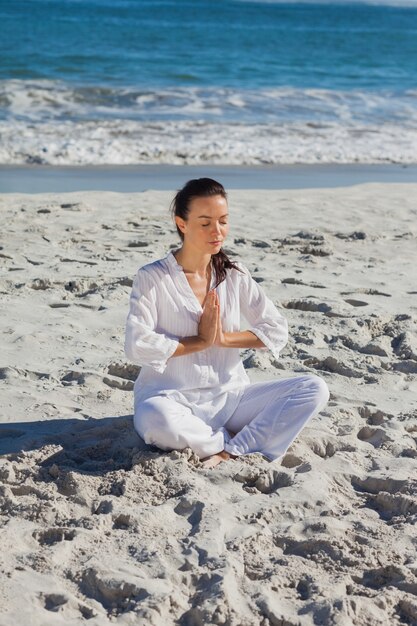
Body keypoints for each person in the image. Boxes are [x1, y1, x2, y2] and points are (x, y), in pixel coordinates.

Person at [124, 178, 329, 469]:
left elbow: (276, 329)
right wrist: (199, 342)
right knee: (156, 424)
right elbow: (136, 344)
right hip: (171, 398)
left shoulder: (234, 274)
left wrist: (221, 338)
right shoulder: (152, 277)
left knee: (314, 388)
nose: (217, 231)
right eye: (205, 222)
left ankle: (232, 449)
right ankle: (230, 442)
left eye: (223, 221)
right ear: (181, 223)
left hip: (231, 398)